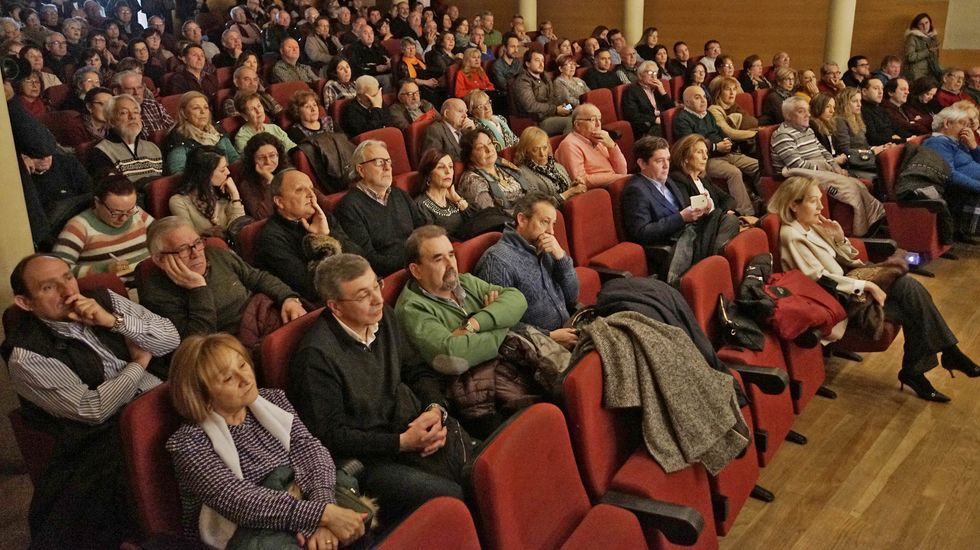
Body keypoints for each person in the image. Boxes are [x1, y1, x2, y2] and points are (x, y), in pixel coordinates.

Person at [2, 254, 179, 548]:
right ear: (25, 302)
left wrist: (112, 321)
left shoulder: (102, 300)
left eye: (68, 278)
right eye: (48, 287)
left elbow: (170, 339)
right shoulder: (26, 354)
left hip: (159, 398)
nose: (68, 292)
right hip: (102, 436)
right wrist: (138, 366)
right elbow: (93, 409)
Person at [288, 253, 469, 527]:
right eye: (363, 295)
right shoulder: (315, 357)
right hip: (371, 458)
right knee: (451, 497)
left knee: (479, 471)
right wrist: (402, 443)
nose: (377, 299)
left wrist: (435, 409)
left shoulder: (384, 317)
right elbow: (330, 436)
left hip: (408, 423)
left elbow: (416, 370)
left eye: (377, 285)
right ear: (335, 307)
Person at [768, 177, 979, 403]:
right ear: (793, 204)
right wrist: (866, 285)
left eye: (820, 200)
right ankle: (936, 360)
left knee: (912, 299)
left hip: (851, 287)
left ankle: (928, 365)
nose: (820, 207)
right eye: (813, 201)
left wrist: (838, 238)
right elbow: (817, 280)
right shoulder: (792, 235)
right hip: (838, 301)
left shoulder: (811, 226)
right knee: (911, 296)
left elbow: (849, 259)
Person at [165, 333, 367, 549]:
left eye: (242, 365)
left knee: (358, 530)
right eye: (228, 378)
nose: (245, 379)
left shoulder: (273, 399)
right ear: (201, 396)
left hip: (304, 503)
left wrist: (324, 510)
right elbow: (238, 501)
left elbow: (311, 451)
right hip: (244, 531)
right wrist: (321, 515)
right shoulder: (188, 444)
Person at [394, 225, 530, 430]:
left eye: (451, 254)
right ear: (416, 270)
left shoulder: (465, 282)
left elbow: (518, 299)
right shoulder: (412, 309)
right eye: (438, 259)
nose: (451, 264)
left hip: (506, 366)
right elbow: (452, 357)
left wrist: (475, 323)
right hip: (473, 395)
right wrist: (501, 320)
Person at [140, 216, 306, 343]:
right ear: (160, 260)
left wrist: (288, 298)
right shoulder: (156, 294)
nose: (196, 253)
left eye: (197, 242)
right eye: (183, 249)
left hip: (264, 317)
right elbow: (195, 343)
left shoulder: (215, 253)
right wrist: (198, 289)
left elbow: (257, 278)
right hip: (232, 346)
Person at [624, 135, 739, 282]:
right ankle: (709, 270)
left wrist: (701, 210)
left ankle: (711, 268)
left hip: (690, 233)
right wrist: (681, 217)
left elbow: (686, 210)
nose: (666, 166)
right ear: (642, 163)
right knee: (726, 221)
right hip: (673, 243)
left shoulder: (668, 182)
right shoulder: (636, 190)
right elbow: (641, 232)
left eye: (668, 159)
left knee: (728, 220)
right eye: (659, 161)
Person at [474, 193, 579, 347]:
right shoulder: (498, 261)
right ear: (522, 219)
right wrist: (549, 336)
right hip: (538, 347)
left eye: (553, 224)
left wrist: (561, 257)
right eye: (545, 222)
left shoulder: (546, 248)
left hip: (569, 329)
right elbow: (499, 324)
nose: (551, 232)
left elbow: (572, 297)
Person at [772, 96, 886, 236]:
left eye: (807, 111)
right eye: (802, 111)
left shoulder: (807, 130)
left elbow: (824, 153)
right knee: (850, 189)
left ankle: (872, 222)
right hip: (801, 176)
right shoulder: (782, 135)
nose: (808, 114)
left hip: (820, 170)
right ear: (788, 115)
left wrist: (836, 168)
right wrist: (828, 169)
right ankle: (856, 233)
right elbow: (797, 165)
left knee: (859, 184)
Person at [256, 169, 358, 303]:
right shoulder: (271, 238)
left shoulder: (322, 217)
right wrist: (322, 241)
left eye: (311, 188)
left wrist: (327, 234)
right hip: (325, 303)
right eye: (300, 190)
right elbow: (311, 286)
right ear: (280, 202)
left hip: (352, 287)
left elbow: (359, 256)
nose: (311, 194)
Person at [335, 140, 425, 276]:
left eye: (388, 162)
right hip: (393, 275)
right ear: (361, 170)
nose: (387, 167)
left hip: (418, 264)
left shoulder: (399, 193)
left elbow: (423, 229)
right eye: (379, 162)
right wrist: (414, 260)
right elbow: (368, 259)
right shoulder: (349, 206)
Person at [673, 86, 759, 215]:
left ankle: (765, 204)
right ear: (687, 102)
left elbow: (720, 131)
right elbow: (690, 145)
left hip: (726, 153)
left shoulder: (708, 114)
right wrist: (715, 147)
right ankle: (747, 214)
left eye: (704, 96)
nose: (703, 100)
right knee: (734, 173)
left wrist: (727, 141)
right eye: (697, 97)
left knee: (757, 166)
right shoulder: (682, 119)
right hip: (707, 159)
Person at [52, 175, 153, 284]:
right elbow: (58, 270)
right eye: (116, 212)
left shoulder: (136, 213)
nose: (124, 218)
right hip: (119, 289)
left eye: (130, 210)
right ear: (97, 202)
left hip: (149, 278)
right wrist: (103, 269)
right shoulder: (79, 227)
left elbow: (159, 234)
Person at [923, 105, 980, 235]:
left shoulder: (957, 142)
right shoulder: (938, 143)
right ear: (947, 123)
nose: (966, 128)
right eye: (962, 123)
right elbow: (948, 174)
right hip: (960, 191)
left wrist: (974, 147)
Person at [90, 93, 165, 185]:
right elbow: (114, 191)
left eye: (136, 112)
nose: (132, 117)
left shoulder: (153, 148)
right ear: (110, 121)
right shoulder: (102, 151)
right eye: (124, 113)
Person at [554, 103, 629, 188]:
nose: (598, 124)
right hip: (599, 191)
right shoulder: (569, 145)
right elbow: (580, 181)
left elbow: (622, 171)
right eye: (593, 120)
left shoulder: (600, 139)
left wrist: (612, 146)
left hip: (615, 185)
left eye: (599, 119)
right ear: (577, 125)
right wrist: (621, 178)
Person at [458, 128, 532, 213]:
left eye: (489, 143)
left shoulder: (503, 166)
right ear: (470, 155)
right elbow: (492, 216)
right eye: (480, 147)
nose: (489, 150)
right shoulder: (472, 181)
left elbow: (531, 191)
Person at [164, 91, 240, 174]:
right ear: (184, 113)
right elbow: (178, 173)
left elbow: (234, 159)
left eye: (206, 107)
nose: (203, 112)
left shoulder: (217, 130)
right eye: (196, 108)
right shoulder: (177, 137)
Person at [514, 126, 587, 204]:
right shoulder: (524, 174)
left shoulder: (557, 166)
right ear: (526, 151)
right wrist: (569, 193)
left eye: (545, 148)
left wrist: (575, 186)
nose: (542, 154)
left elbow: (567, 190)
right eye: (535, 150)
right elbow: (538, 206)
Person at [511, 50, 573, 136]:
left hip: (551, 114)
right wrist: (555, 109)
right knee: (570, 121)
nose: (541, 64)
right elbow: (531, 106)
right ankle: (566, 148)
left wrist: (566, 107)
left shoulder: (545, 77)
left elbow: (553, 99)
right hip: (538, 120)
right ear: (527, 64)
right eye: (537, 60)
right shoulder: (522, 81)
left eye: (542, 61)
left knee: (579, 115)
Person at [414, 149, 474, 238]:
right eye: (441, 167)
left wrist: (456, 198)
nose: (448, 171)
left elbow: (477, 219)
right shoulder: (421, 206)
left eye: (450, 167)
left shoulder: (455, 197)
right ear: (428, 174)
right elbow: (432, 240)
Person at [238, 132, 294, 220]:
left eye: (272, 156)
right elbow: (261, 216)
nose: (268, 161)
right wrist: (271, 180)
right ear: (252, 160)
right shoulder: (246, 185)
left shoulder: (289, 172)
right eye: (261, 158)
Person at [112, 69, 174, 136]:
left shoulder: (153, 105)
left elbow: (172, 129)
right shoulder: (113, 113)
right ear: (117, 91)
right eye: (130, 89)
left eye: (139, 88)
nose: (137, 92)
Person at [619, 60, 671, 138]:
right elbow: (632, 115)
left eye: (655, 73)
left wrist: (663, 92)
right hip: (646, 127)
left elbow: (671, 108)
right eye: (650, 73)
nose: (653, 76)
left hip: (662, 123)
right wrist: (654, 120)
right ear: (640, 75)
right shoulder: (632, 90)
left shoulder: (658, 89)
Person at [709, 76, 759, 153]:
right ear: (719, 92)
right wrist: (757, 133)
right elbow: (729, 133)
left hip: (744, 143)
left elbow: (752, 121)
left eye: (734, 89)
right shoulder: (714, 110)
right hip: (729, 150)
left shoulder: (734, 106)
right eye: (728, 89)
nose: (732, 93)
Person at [234, 92, 298, 153]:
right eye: (252, 109)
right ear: (244, 115)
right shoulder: (242, 137)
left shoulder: (274, 128)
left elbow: (294, 149)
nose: (258, 111)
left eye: (259, 106)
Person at [860, 77, 911, 146]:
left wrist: (910, 137)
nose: (881, 92)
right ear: (864, 92)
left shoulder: (881, 108)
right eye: (876, 88)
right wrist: (896, 139)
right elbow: (873, 138)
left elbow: (896, 127)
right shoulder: (862, 110)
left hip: (893, 144)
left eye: (882, 89)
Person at [395, 38, 441, 106]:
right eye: (408, 48)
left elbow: (426, 71)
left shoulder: (418, 59)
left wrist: (433, 81)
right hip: (415, 88)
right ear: (402, 50)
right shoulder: (402, 64)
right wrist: (427, 82)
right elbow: (408, 81)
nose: (411, 50)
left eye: (413, 48)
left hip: (427, 82)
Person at [346, 25, 392, 89]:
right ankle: (385, 98)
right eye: (366, 33)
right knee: (385, 79)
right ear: (359, 36)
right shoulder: (354, 48)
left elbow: (387, 57)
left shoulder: (377, 45)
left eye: (371, 33)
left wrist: (389, 63)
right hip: (365, 76)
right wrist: (375, 69)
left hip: (383, 72)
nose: (369, 36)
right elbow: (355, 68)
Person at [904, 13, 942, 81]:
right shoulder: (912, 37)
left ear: (930, 23)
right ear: (917, 26)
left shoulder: (933, 37)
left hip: (932, 72)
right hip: (917, 73)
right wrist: (928, 51)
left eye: (926, 23)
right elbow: (910, 57)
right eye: (921, 24)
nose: (925, 26)